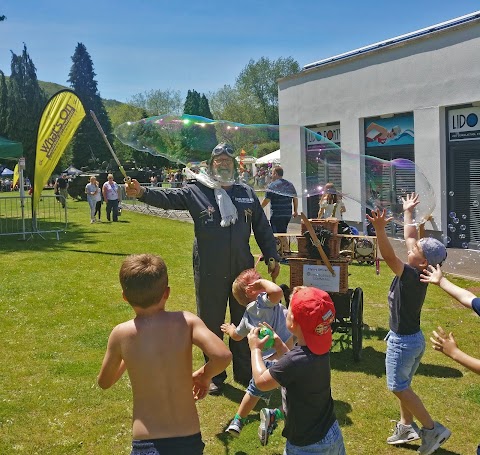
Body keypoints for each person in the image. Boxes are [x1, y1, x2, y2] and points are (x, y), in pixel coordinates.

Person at [125, 143, 280, 394]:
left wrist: (272, 255)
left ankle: (245, 370)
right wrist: (142, 191)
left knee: (245, 318)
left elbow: (262, 227)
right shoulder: (197, 191)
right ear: (211, 165)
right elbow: (168, 198)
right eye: (218, 160)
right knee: (211, 320)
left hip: (242, 269)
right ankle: (216, 375)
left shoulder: (246, 193)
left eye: (228, 160)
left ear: (235, 165)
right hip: (210, 267)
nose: (223, 164)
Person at [98, 253, 232, 455]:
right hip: (188, 440)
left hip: (146, 441)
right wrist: (204, 376)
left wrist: (126, 357)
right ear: (166, 292)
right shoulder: (186, 322)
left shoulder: (121, 335)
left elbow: (104, 382)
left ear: (125, 296)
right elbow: (222, 356)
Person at [367, 193, 451, 454]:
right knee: (404, 384)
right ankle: (406, 425)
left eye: (414, 251)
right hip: (411, 340)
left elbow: (390, 256)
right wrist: (407, 212)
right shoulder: (419, 268)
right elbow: (411, 237)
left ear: (423, 262)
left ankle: (431, 428)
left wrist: (380, 230)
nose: (409, 247)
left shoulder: (412, 276)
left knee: (398, 386)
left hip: (404, 342)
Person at [247, 286, 346, 454]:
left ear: (292, 322)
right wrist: (279, 344)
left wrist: (255, 350)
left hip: (307, 445)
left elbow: (261, 382)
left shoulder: (295, 361)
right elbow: (295, 366)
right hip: (332, 433)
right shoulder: (319, 350)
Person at [221, 268, 293, 440]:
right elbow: (277, 291)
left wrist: (230, 330)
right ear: (251, 291)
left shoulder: (247, 314)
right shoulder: (263, 302)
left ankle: (237, 420)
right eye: (259, 281)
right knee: (295, 392)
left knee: (254, 390)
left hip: (265, 360)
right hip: (283, 353)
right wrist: (262, 284)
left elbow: (238, 335)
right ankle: (276, 414)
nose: (263, 281)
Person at [261, 166, 298, 234]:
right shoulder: (289, 185)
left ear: (275, 174)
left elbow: (267, 200)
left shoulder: (272, 186)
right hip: (287, 214)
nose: (271, 175)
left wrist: (259, 208)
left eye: (272, 173)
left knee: (277, 236)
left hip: (277, 215)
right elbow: (295, 198)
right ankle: (284, 244)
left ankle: (280, 245)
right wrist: (295, 211)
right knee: (283, 233)